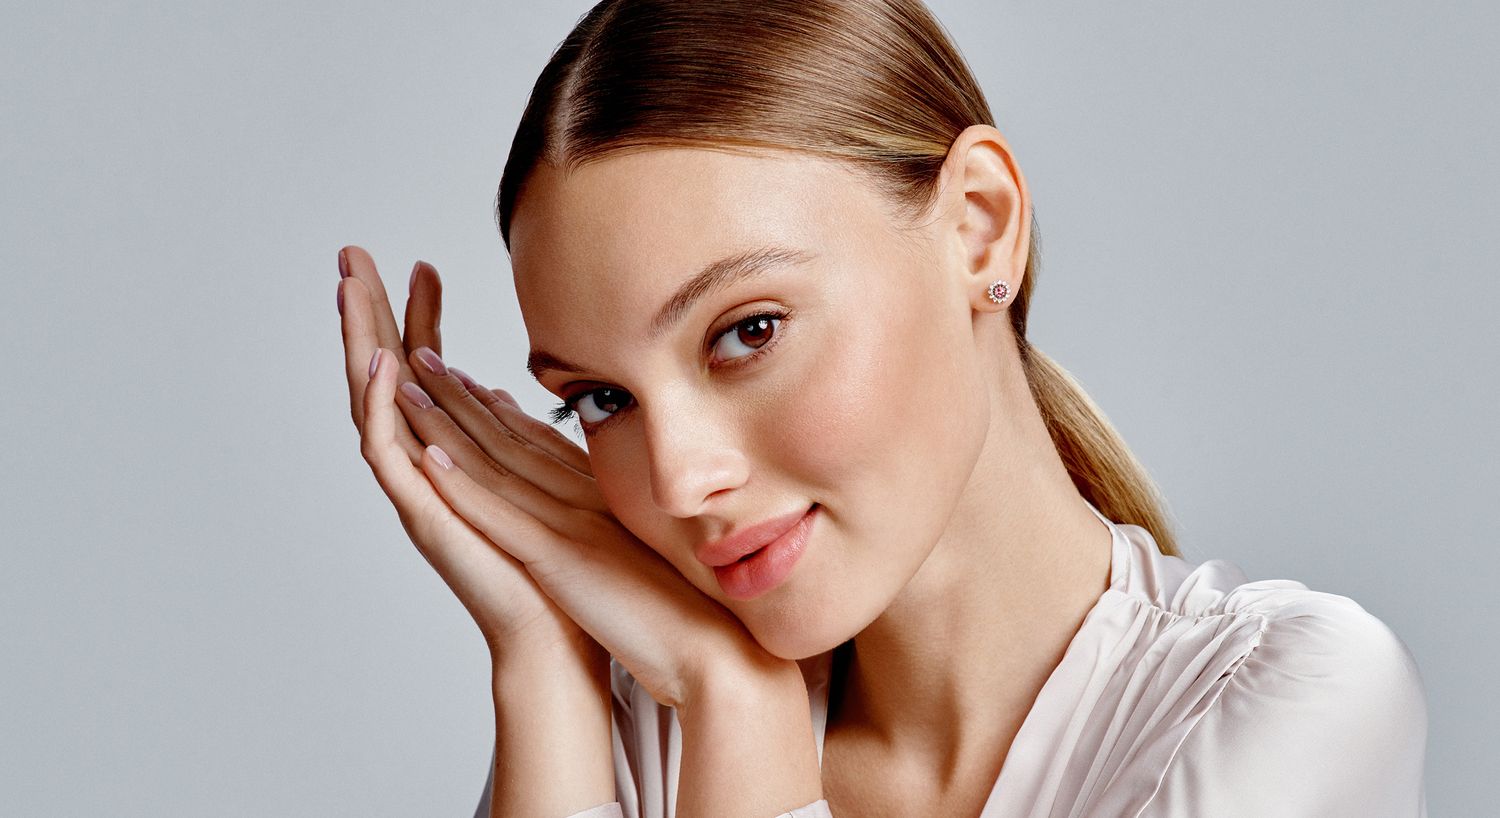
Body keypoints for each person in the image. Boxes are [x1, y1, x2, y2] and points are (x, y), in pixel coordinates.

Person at [333, 1, 1429, 815]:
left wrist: (747, 724)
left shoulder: (1292, 701)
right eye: (602, 398)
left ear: (982, 227)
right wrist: (538, 651)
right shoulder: (635, 714)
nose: (677, 479)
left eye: (746, 330)